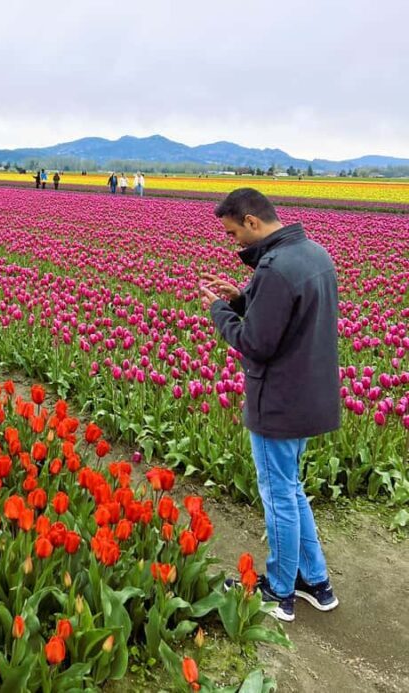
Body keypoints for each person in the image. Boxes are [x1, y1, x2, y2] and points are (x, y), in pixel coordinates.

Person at [200, 188, 340, 623]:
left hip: (278, 399)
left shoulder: (276, 269)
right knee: (292, 488)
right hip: (308, 394)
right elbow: (288, 316)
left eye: (233, 231)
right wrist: (244, 300)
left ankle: (278, 590)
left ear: (252, 221)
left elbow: (255, 343)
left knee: (278, 494)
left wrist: (220, 312)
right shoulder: (315, 254)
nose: (234, 241)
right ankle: (316, 582)